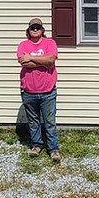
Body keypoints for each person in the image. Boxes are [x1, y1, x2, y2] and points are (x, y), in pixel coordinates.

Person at [17, 18, 61, 163]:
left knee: (49, 121)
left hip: (47, 91)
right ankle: (36, 145)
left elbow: (51, 61)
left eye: (38, 27)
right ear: (28, 31)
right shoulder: (23, 44)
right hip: (28, 91)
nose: (35, 29)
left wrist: (31, 58)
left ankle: (53, 149)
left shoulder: (50, 43)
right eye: (32, 27)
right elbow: (24, 63)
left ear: (42, 30)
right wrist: (42, 61)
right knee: (33, 121)